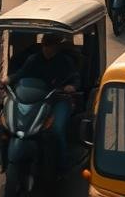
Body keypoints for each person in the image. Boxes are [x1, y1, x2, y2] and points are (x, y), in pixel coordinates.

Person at [9, 34, 79, 174]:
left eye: (50, 46)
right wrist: (8, 79)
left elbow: (75, 79)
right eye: (45, 45)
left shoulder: (65, 62)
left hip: (59, 99)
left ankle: (62, 164)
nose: (47, 49)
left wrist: (71, 87)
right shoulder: (33, 59)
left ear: (57, 47)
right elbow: (21, 74)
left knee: (57, 130)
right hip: (38, 100)